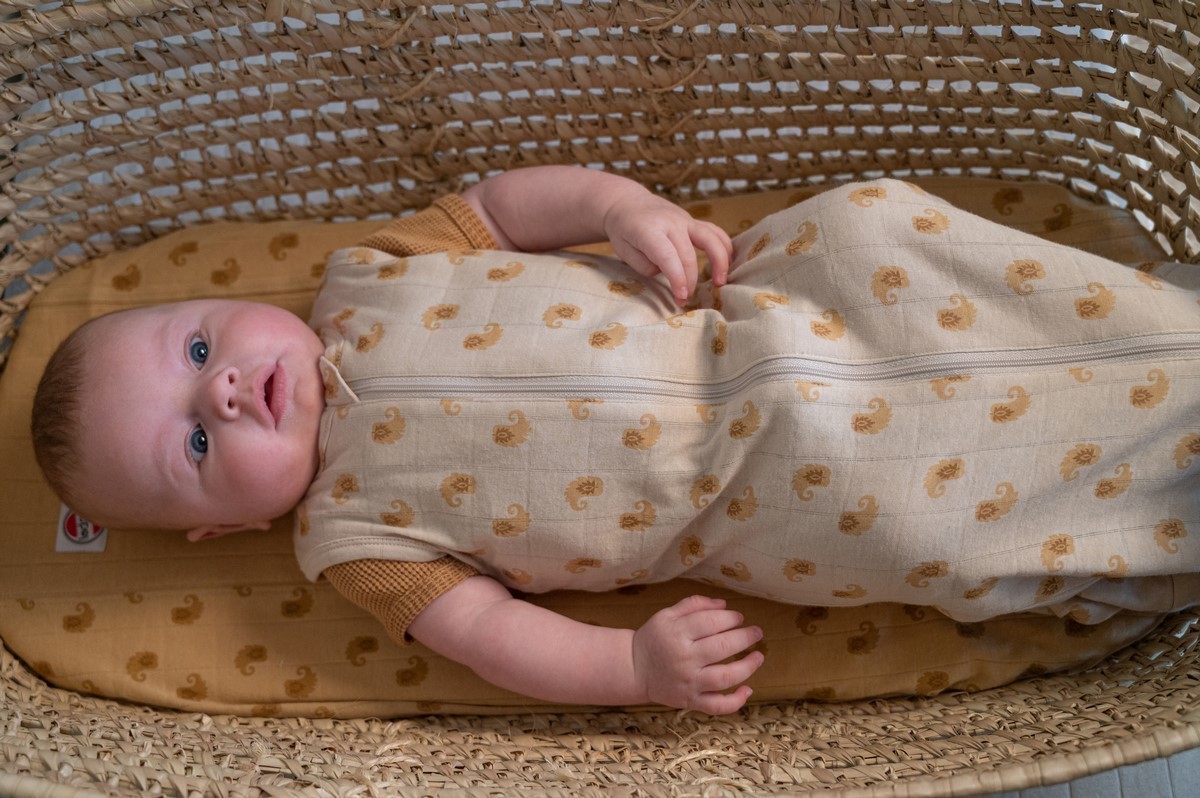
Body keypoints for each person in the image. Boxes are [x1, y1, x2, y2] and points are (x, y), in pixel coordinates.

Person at [32, 166, 1200, 714]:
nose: (228, 392)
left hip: (756, 308)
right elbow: (492, 637)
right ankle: (1159, 490)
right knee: (918, 525)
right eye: (196, 444)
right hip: (769, 487)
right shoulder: (354, 543)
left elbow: (501, 207)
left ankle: (1157, 325)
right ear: (223, 528)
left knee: (869, 225)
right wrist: (631, 668)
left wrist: (616, 209)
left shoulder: (366, 273)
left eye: (197, 349)